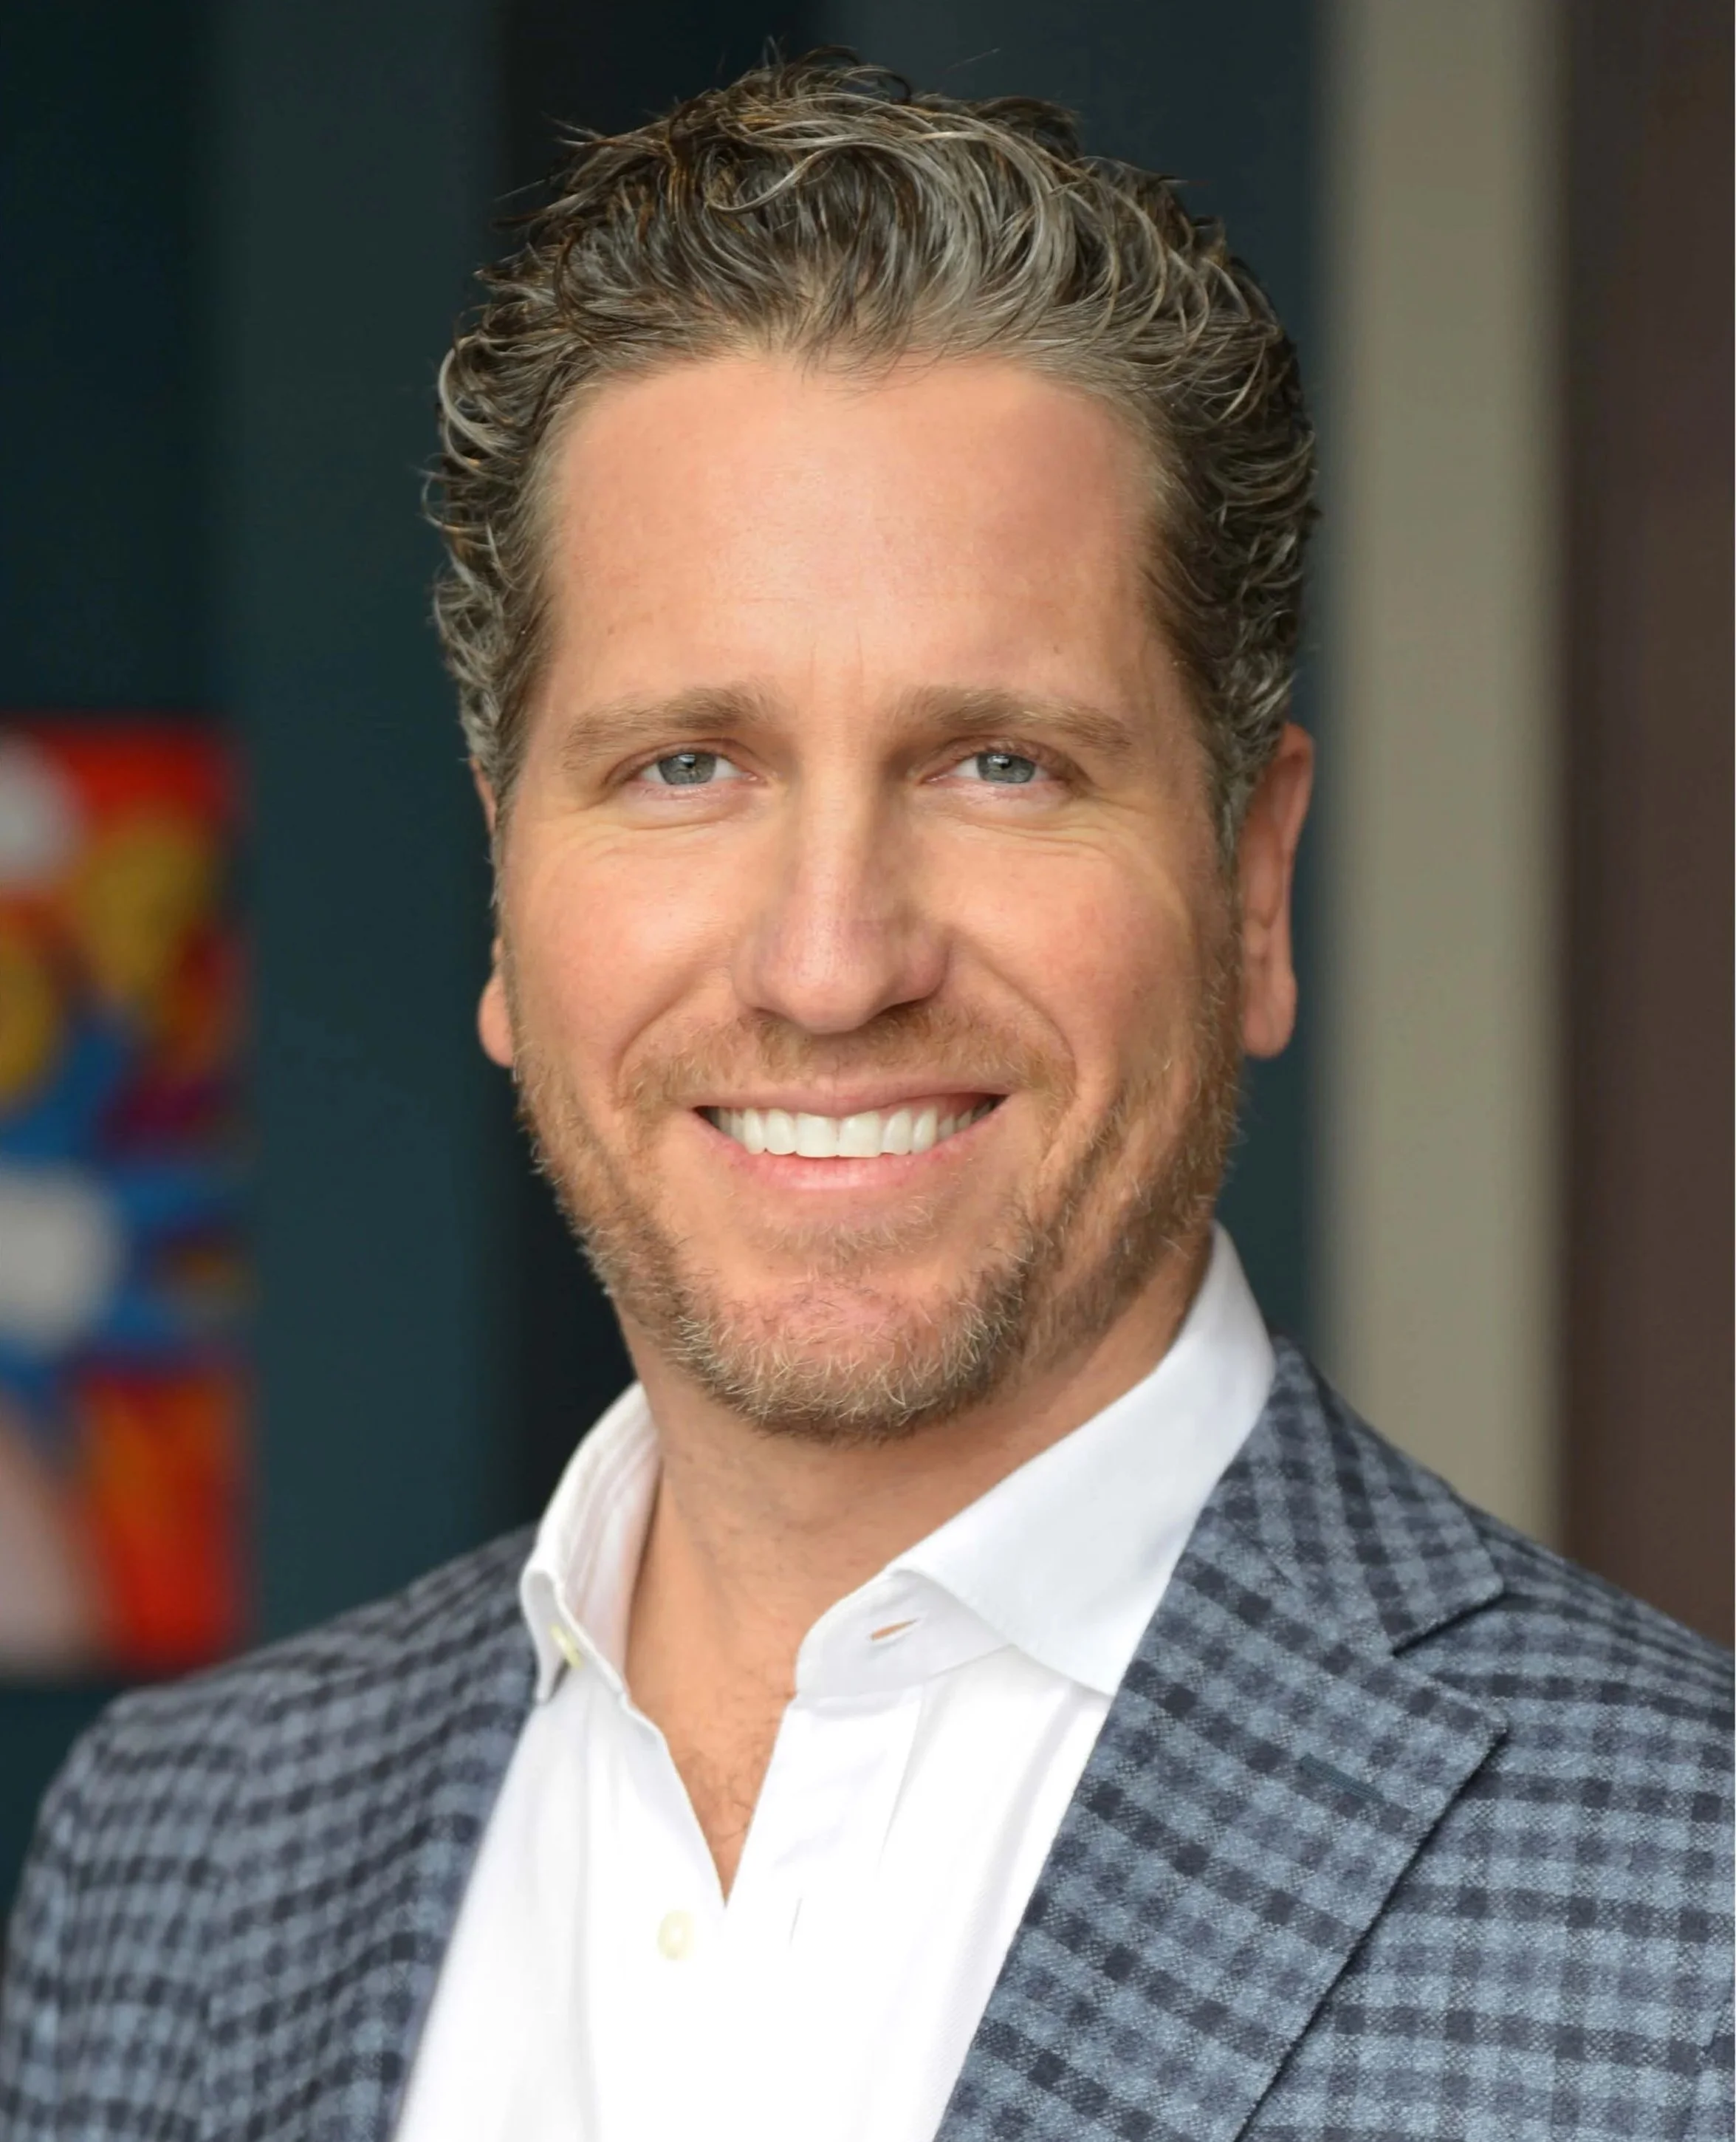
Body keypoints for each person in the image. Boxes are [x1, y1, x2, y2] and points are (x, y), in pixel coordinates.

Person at [1, 54, 1729, 2142]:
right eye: (683, 765)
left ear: (1249, 888)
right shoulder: (170, 1865)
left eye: (996, 762)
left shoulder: (1684, 1920)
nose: (832, 961)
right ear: (502, 888)